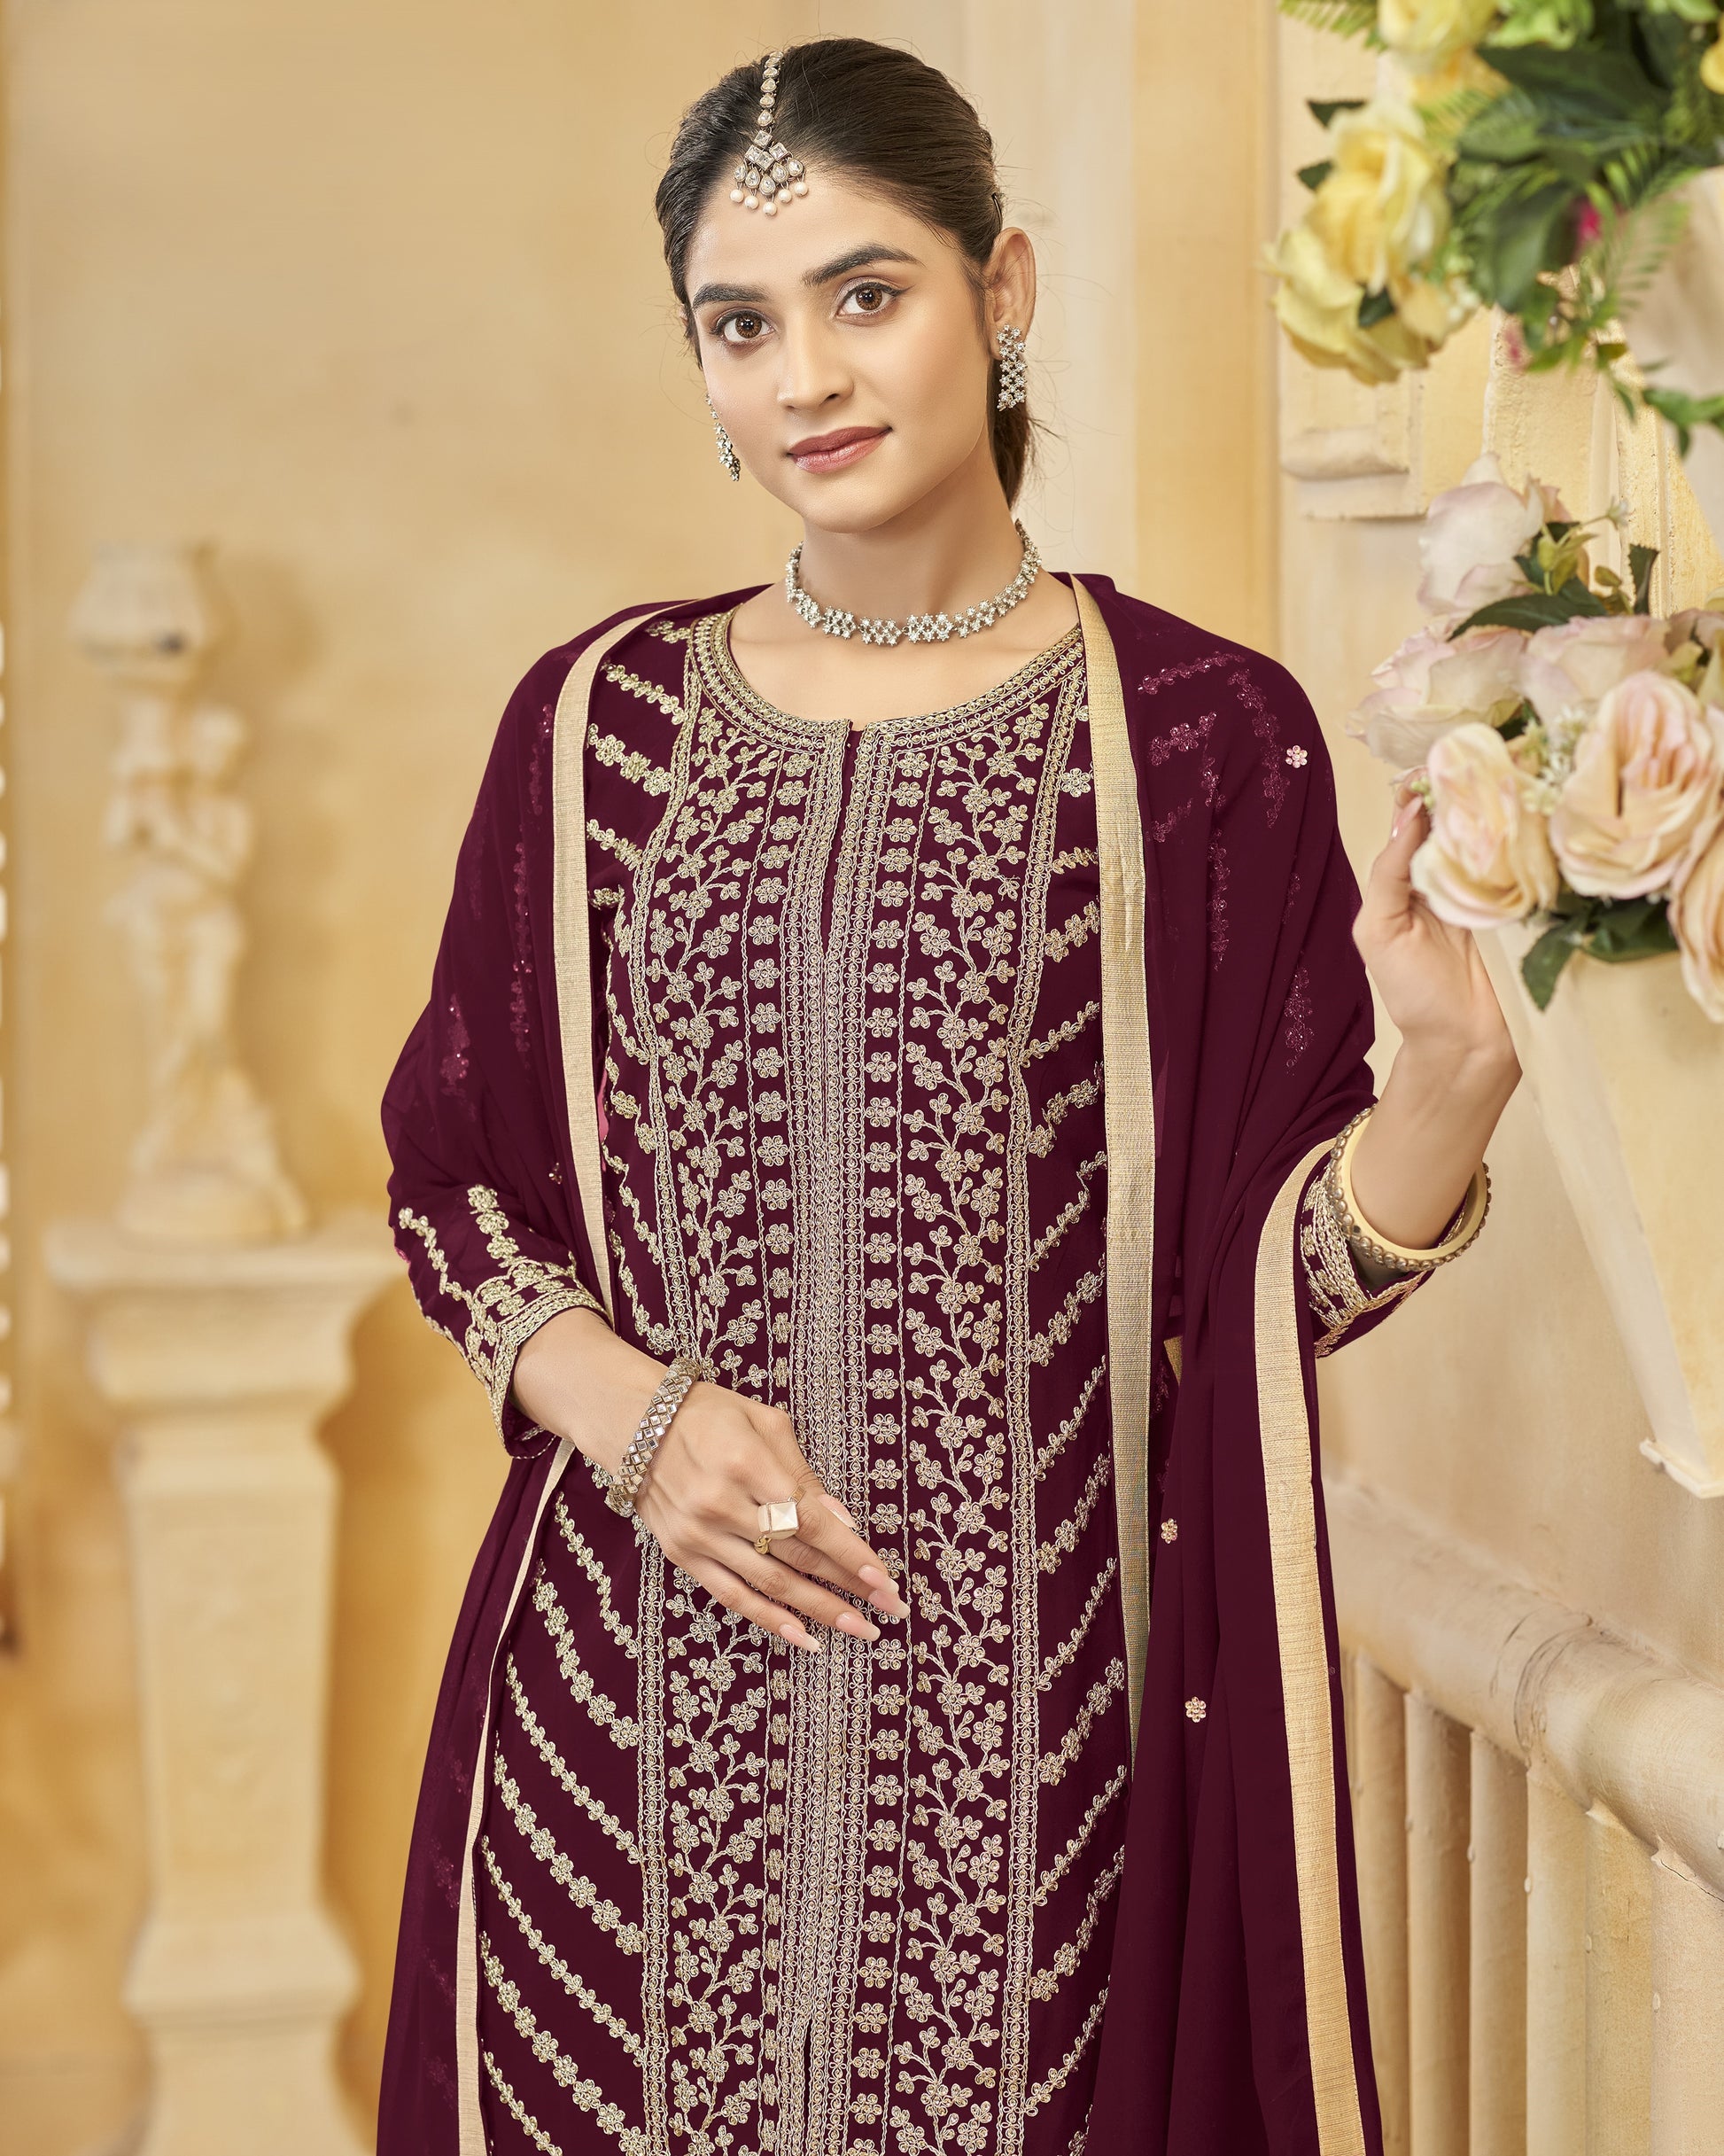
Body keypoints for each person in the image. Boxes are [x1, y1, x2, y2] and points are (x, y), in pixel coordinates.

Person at [377, 38, 1517, 2156]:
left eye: (864, 292)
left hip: (1038, 1772)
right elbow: (452, 1192)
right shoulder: (590, 727)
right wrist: (632, 1409)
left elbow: (1253, 1297)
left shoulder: (1198, 739)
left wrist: (1438, 1107)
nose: (803, 371)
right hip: (620, 1747)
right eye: (740, 323)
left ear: (1001, 288)